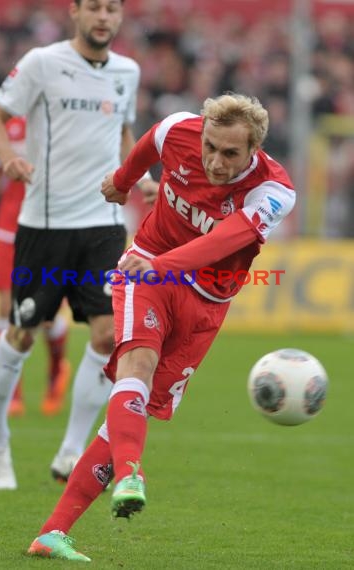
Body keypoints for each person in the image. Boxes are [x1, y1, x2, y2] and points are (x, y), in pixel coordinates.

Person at [26, 92, 296, 562]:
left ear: (254, 150)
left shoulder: (274, 191)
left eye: (230, 153)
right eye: (210, 146)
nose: (214, 161)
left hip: (207, 303)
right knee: (137, 362)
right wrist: (123, 180)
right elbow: (150, 142)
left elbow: (227, 239)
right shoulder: (180, 130)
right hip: (145, 266)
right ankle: (132, 472)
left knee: (131, 415)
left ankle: (52, 533)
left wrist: (169, 265)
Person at [0, 0, 158, 491]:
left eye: (112, 9)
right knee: (22, 333)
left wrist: (137, 176)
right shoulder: (42, 62)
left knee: (106, 338)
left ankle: (72, 448)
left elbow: (121, 130)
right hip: (45, 224)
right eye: (94, 8)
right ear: (75, 13)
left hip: (103, 225)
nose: (104, 17)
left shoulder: (128, 70)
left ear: (120, 17)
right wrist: (10, 157)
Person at [0, 116, 71, 417]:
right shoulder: (5, 122)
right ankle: (13, 391)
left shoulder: (60, 118)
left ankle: (56, 371)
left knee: (47, 318)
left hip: (52, 228)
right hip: (10, 229)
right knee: (6, 309)